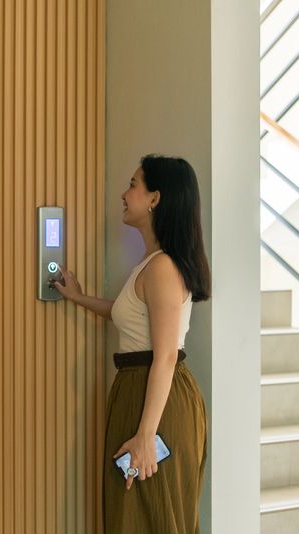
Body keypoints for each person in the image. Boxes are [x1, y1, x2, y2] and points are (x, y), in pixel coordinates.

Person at [53, 154, 211, 533]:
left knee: (152, 516)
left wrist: (145, 435)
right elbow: (127, 316)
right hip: (140, 389)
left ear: (155, 198)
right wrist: (79, 298)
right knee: (135, 515)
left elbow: (166, 355)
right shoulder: (151, 262)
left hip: (156, 397)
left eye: (133, 185)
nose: (125, 194)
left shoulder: (162, 268)